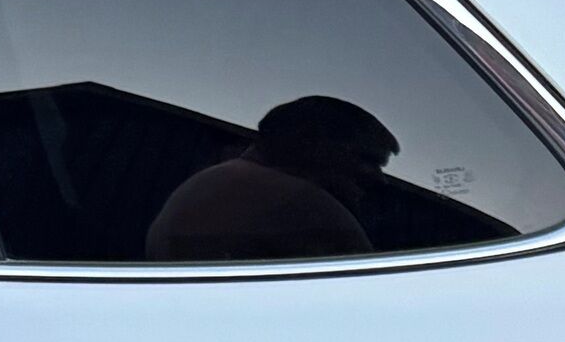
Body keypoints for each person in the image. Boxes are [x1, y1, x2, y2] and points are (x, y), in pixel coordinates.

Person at [146, 97, 396, 259]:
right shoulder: (300, 204)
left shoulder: (213, 184)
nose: (378, 179)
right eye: (367, 159)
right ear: (316, 146)